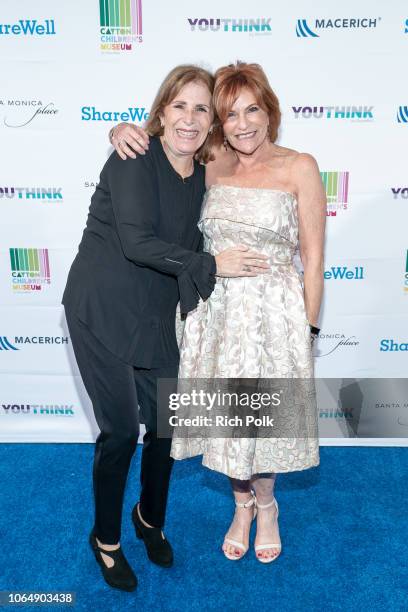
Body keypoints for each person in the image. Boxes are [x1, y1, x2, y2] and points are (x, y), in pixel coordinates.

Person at [62, 63, 270, 592]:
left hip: (154, 313)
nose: (191, 118)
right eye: (180, 106)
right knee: (119, 431)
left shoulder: (204, 171)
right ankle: (105, 541)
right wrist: (213, 265)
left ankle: (149, 519)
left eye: (202, 109)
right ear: (160, 112)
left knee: (165, 426)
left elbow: (252, 164)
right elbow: (137, 244)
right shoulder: (133, 158)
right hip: (101, 309)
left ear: (213, 123)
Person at [109, 61, 326, 564]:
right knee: (229, 419)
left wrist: (308, 329)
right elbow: (164, 150)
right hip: (215, 311)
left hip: (275, 316)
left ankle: (267, 505)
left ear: (269, 112)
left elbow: (313, 262)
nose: (242, 123)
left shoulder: (301, 166)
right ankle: (241, 504)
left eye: (252, 110)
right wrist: (124, 129)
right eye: (229, 115)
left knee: (264, 420)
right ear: (218, 124)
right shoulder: (211, 163)